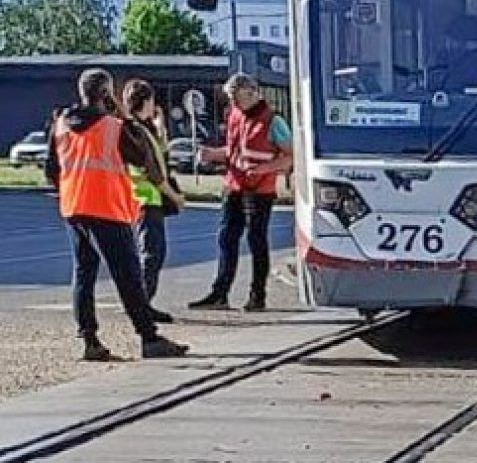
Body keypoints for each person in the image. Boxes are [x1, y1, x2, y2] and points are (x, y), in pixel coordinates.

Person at [44, 69, 188, 361]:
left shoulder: (60, 124)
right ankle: (149, 338)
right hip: (106, 208)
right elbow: (142, 156)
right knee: (128, 275)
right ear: (107, 94)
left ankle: (90, 340)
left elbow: (51, 170)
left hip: (74, 207)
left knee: (84, 273)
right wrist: (124, 115)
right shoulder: (114, 126)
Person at [189, 74, 293, 312]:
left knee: (256, 241)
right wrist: (213, 154)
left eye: (236, 98)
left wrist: (263, 169)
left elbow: (290, 156)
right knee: (226, 238)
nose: (233, 104)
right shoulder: (236, 115)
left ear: (251, 93)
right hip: (234, 186)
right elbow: (235, 151)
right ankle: (220, 294)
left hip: (260, 191)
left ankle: (257, 296)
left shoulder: (273, 122)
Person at [121, 79, 184, 322]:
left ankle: (144, 304)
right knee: (151, 254)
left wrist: (161, 130)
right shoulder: (136, 131)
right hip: (145, 198)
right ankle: (142, 306)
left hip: (148, 198)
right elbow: (153, 172)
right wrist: (175, 196)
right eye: (152, 101)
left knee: (154, 253)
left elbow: (160, 158)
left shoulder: (141, 129)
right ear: (146, 102)